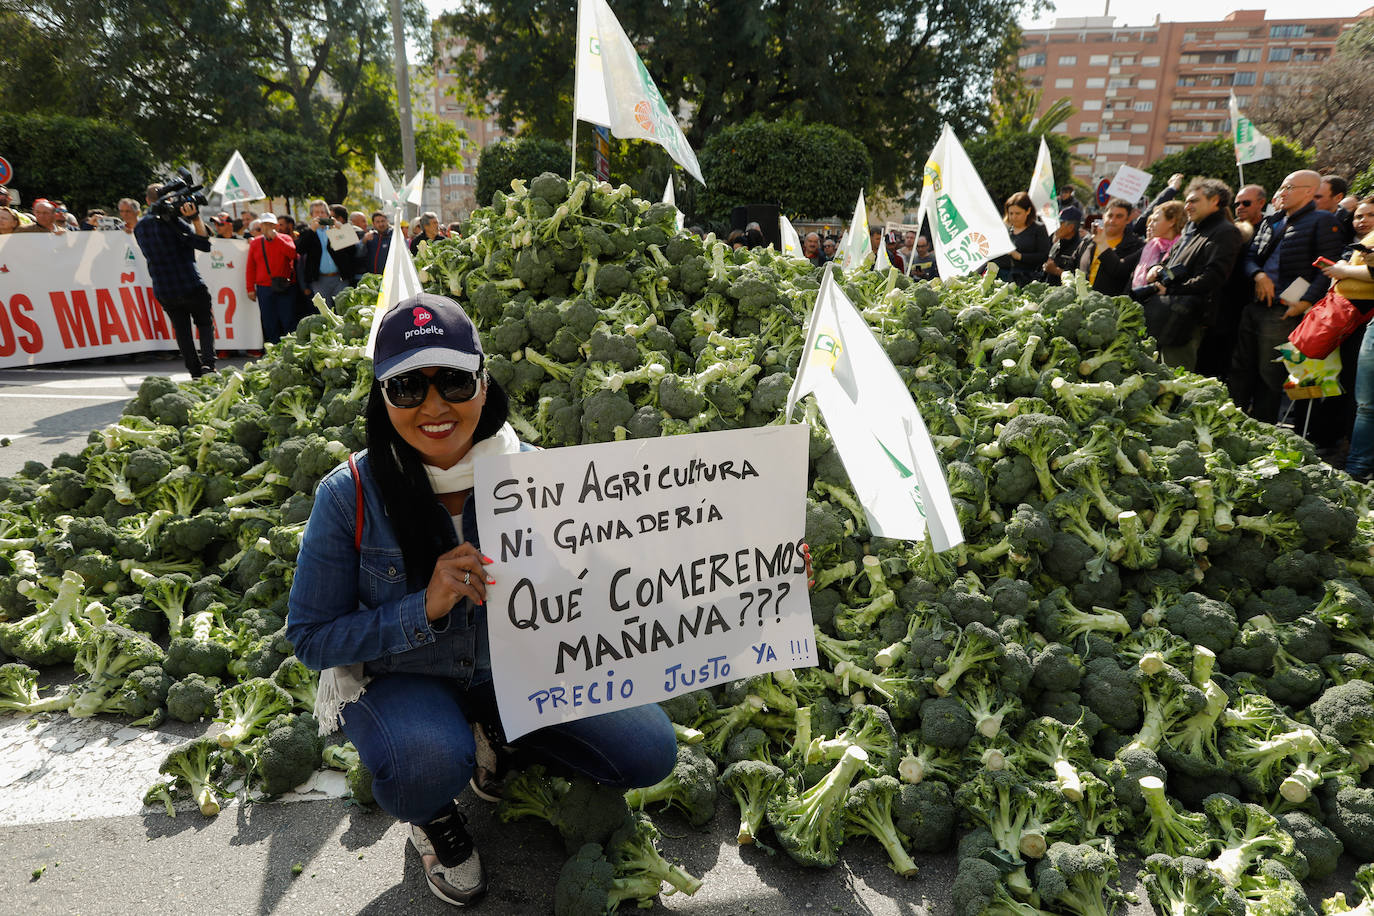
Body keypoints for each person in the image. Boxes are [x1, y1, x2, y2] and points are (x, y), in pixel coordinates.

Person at [285, 293, 677, 907]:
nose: (434, 406)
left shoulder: (542, 478)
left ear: (484, 382)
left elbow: (631, 578)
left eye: (454, 381)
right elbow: (310, 638)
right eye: (407, 387)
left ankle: (499, 737)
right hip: (405, 679)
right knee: (422, 764)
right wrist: (423, 608)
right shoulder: (348, 495)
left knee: (650, 749)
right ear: (382, 398)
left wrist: (770, 570)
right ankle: (433, 816)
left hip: (513, 672)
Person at [1227, 170, 1344, 424]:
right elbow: (1250, 257)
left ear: (1308, 191)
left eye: (1288, 187)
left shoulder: (1322, 221)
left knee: (1269, 375)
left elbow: (1327, 268)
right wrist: (1258, 275)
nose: (1282, 193)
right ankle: (1231, 421)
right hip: (1254, 305)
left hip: (1284, 310)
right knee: (1240, 368)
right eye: (1281, 187)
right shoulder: (1272, 221)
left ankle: (1261, 428)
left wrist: (1305, 302)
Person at [1138, 180, 1243, 371]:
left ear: (1214, 200)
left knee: (1174, 379)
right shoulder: (1191, 228)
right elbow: (1171, 260)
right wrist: (1157, 267)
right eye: (1186, 201)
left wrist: (1170, 289)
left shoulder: (1226, 232)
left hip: (1187, 321)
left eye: (1194, 201)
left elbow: (1213, 278)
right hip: (1164, 315)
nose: (1187, 206)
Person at [133, 181, 217, 378]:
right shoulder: (171, 223)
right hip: (189, 283)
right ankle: (208, 364)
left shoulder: (140, 227)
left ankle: (194, 372)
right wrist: (195, 218)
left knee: (182, 331)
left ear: (147, 200)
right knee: (204, 324)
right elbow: (203, 244)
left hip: (164, 288)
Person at [1329, 197, 1374, 481]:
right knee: (1364, 402)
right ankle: (1356, 468)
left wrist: (1344, 270)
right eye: (1359, 215)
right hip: (1363, 323)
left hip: (1365, 318)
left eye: (1370, 215)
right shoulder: (1362, 241)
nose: (1362, 220)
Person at [244, 212, 299, 345]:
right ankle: (273, 349)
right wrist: (250, 288)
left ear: (276, 226)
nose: (268, 228)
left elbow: (293, 254)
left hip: (284, 285)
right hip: (264, 288)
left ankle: (291, 347)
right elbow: (251, 267)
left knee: (288, 319)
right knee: (269, 322)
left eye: (271, 225)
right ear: (261, 226)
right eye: (265, 225)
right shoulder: (256, 243)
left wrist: (277, 239)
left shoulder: (285, 238)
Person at [1072, 199, 1143, 296]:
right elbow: (1072, 266)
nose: (1112, 220)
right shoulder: (1088, 240)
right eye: (1110, 215)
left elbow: (1120, 272)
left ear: (1128, 220)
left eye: (1119, 216)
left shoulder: (1136, 246)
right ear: (1103, 216)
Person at [296, 199, 356, 308]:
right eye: (316, 212)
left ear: (328, 215)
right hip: (319, 279)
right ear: (311, 215)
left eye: (322, 212)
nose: (320, 215)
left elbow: (352, 250)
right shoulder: (307, 231)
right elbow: (300, 250)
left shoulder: (335, 228)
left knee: (343, 308)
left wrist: (340, 228)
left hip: (340, 278)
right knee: (325, 310)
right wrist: (311, 231)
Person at [993, 191, 1050, 286]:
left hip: (1027, 280)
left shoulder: (1038, 229)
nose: (1013, 217)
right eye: (1011, 213)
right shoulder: (1004, 229)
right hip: (1001, 279)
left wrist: (1020, 256)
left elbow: (1043, 256)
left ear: (1028, 211)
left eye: (1018, 213)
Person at [1131, 200, 1186, 290]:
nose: (1150, 225)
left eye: (1155, 220)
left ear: (1172, 221)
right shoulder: (1151, 245)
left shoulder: (1183, 248)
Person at [1042, 206, 1083, 285]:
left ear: (1070, 227)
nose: (1055, 227)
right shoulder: (1057, 244)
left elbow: (1081, 280)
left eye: (1059, 223)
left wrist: (1057, 271)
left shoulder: (1080, 249)